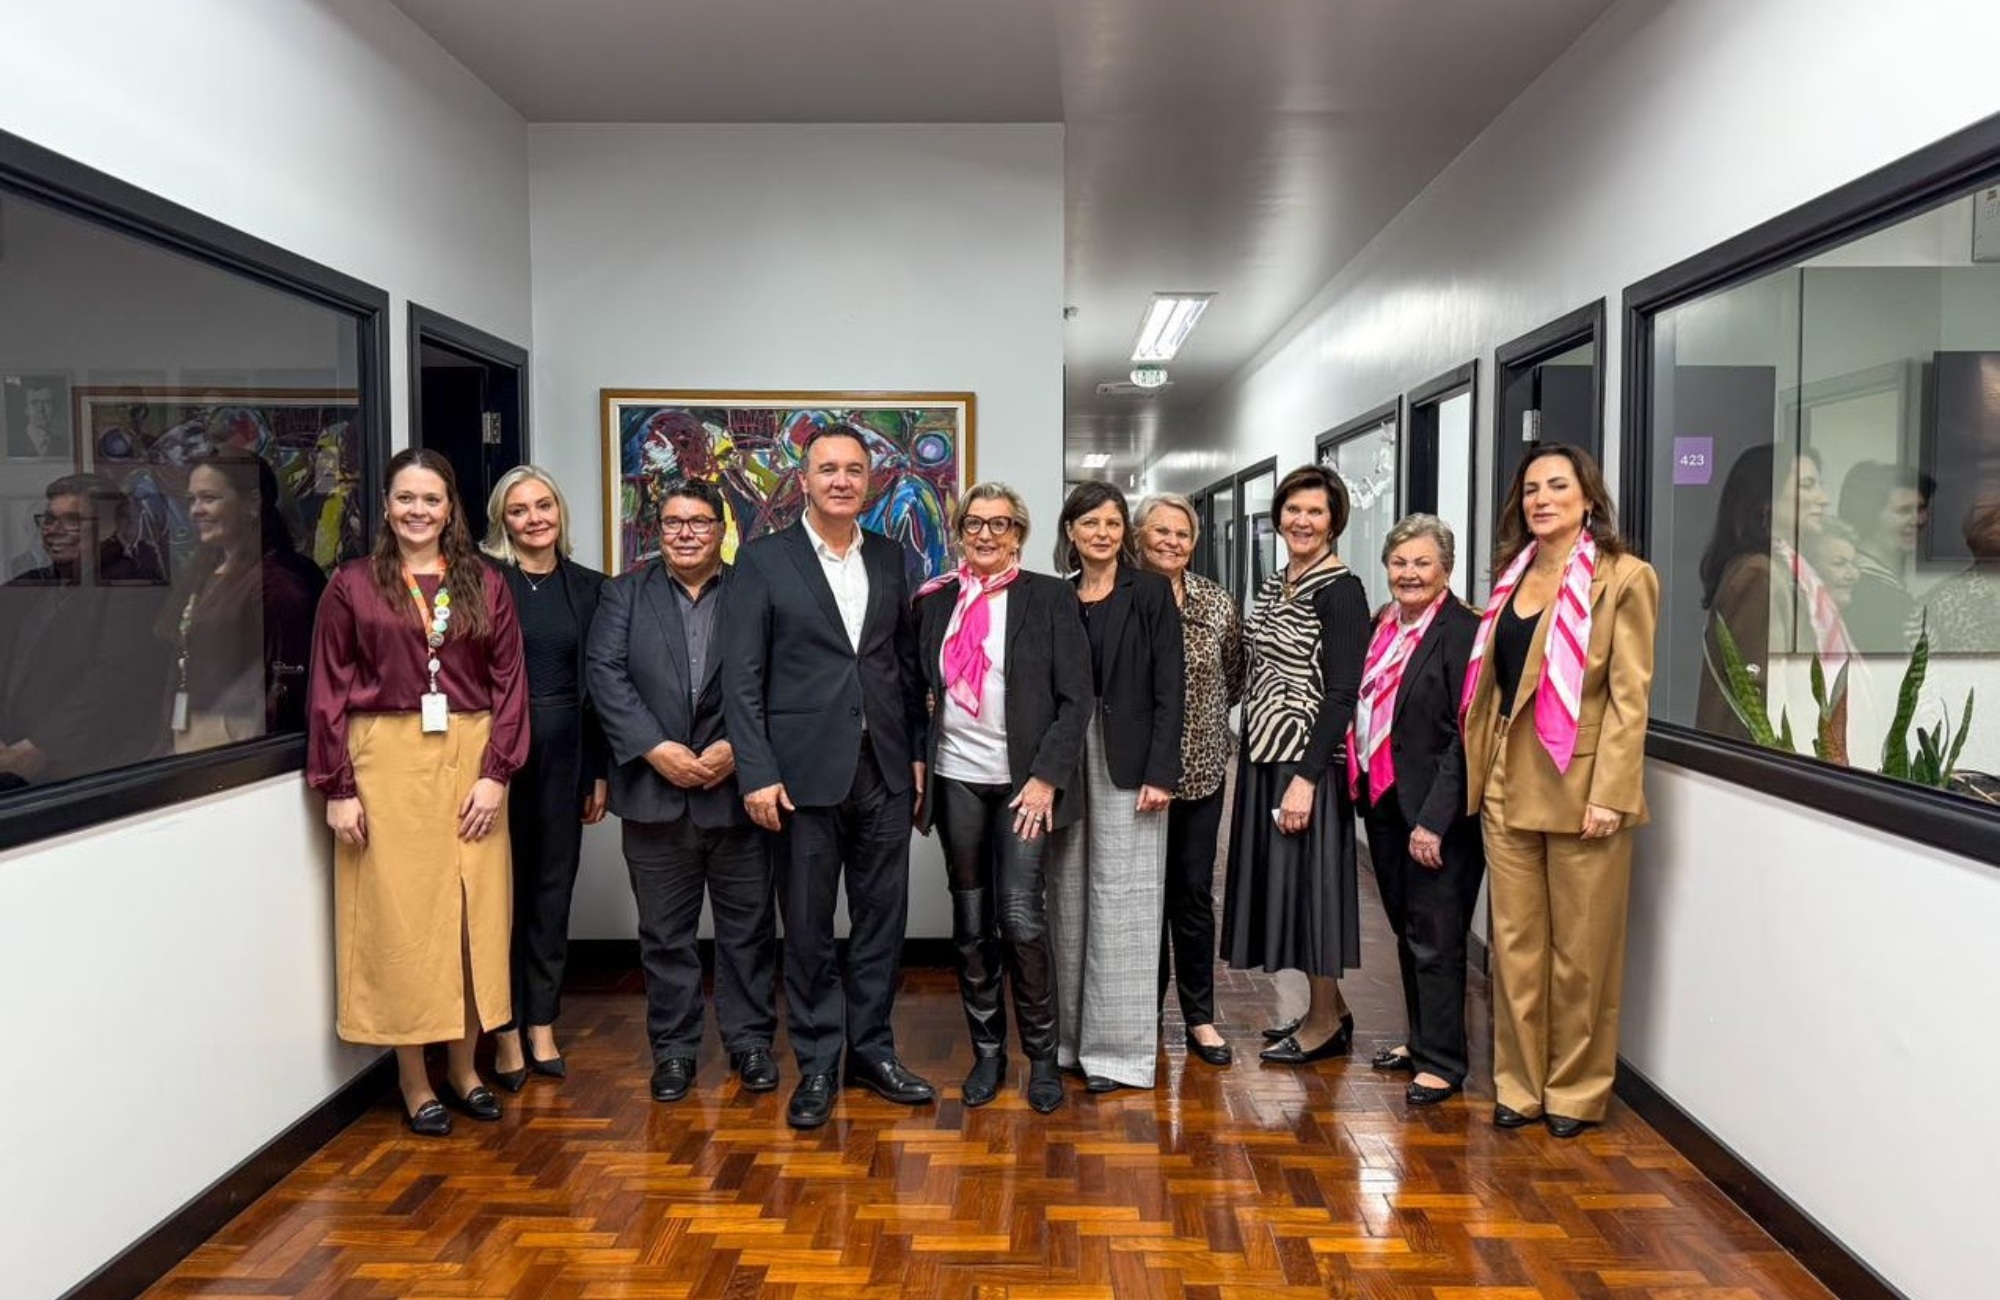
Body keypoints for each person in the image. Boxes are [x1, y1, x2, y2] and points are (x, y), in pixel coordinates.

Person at [307, 448, 528, 1136]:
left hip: (472, 755)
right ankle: (413, 1078)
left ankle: (464, 1069)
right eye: (406, 498)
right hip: (387, 761)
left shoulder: (484, 582)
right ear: (386, 504)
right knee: (403, 920)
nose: (418, 511)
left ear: (450, 507)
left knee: (471, 917)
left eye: (432, 499)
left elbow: (510, 685)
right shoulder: (352, 586)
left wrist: (496, 774)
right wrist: (338, 787)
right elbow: (328, 690)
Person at [721, 424, 934, 1129]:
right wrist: (756, 772)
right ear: (804, 480)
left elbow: (905, 667)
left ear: (869, 480)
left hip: (885, 770)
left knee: (882, 923)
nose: (841, 480)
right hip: (799, 775)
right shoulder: (762, 561)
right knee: (809, 926)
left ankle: (872, 1053)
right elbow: (742, 678)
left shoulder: (893, 557)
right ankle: (816, 1061)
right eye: (827, 469)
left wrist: (917, 754)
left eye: (853, 469)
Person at [1461, 442, 1657, 1139]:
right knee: (1514, 947)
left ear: (1588, 498)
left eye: (1557, 486)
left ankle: (1575, 1089)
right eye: (1531, 489)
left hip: (1582, 787)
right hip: (1507, 782)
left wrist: (1612, 792)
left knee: (1582, 954)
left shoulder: (1624, 578)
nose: (1541, 499)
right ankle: (1519, 1085)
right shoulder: (1511, 576)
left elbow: (1630, 699)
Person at [588, 478, 778, 1103]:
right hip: (653, 793)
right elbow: (605, 675)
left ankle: (750, 1042)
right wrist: (655, 748)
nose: (686, 533)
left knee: (747, 932)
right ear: (658, 530)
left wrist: (737, 749)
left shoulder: (755, 590)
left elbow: (779, 675)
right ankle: (673, 1050)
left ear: (722, 531)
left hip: (739, 792)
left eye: (699, 522)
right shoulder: (623, 594)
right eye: (673, 522)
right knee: (665, 936)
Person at [915, 482, 1092, 1114]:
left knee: (1020, 918)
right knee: (971, 924)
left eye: (1000, 523)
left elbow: (1076, 699)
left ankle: (1041, 1058)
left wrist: (1046, 778)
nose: (986, 534)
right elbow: (914, 687)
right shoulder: (935, 601)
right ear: (960, 531)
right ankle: (987, 1054)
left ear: (1019, 533)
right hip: (957, 778)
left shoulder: (1049, 597)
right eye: (974, 523)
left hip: (1024, 786)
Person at [1220, 465, 1370, 1067]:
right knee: (1286, 888)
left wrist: (1307, 779)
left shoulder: (1341, 591)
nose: (1302, 521)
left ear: (1334, 521)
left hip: (1308, 764)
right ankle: (1327, 1010)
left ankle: (1325, 1021)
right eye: (1293, 510)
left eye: (1315, 512)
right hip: (1264, 756)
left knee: (1313, 893)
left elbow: (1342, 693)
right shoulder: (1274, 581)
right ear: (1278, 517)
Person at [1046, 481, 1184, 1093]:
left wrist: (1161, 772)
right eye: (1090, 523)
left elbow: (1171, 688)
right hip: (1065, 756)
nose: (1102, 533)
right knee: (1067, 896)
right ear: (1070, 532)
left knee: (1125, 901)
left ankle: (1118, 1054)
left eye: (1112, 522)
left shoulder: (1149, 591)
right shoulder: (1055, 596)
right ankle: (1070, 1043)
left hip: (1132, 762)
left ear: (1124, 531)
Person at [1348, 514, 1483, 1105]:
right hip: (1385, 801)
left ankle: (1444, 1062)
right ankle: (1421, 1040)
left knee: (1438, 935)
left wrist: (1434, 819)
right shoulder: (1384, 625)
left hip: (1437, 813)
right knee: (1409, 931)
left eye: (1422, 563)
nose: (1409, 573)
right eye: (1400, 562)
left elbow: (1466, 734)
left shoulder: (1463, 631)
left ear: (1445, 569)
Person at [481, 466, 608, 1088]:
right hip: (496, 758)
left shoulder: (590, 587)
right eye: (519, 510)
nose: (534, 519)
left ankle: (542, 1022)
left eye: (543, 506)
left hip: (566, 756)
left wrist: (598, 772)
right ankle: (504, 1028)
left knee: (552, 892)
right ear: (501, 522)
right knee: (499, 895)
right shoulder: (484, 582)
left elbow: (602, 689)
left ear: (560, 512)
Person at [1134, 491, 1242, 1067]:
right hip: (1133, 778)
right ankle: (1142, 1012)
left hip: (1201, 774)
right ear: (1139, 536)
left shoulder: (1216, 602)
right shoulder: (1121, 596)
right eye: (1161, 531)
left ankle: (1199, 1016)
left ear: (1194, 543)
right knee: (1141, 898)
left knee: (1193, 893)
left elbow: (1234, 676)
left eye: (1182, 533)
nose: (1172, 542)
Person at [0, 474, 168, 790]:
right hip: (15, 768)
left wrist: (39, 748)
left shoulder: (135, 587)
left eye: (73, 521)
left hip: (84, 776)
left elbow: (117, 678)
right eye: (50, 519)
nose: (54, 530)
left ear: (115, 528)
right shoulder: (28, 587)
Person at [159, 452, 325, 752]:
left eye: (209, 498)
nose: (196, 510)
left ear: (252, 503)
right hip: (191, 735)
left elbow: (288, 687)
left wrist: (266, 755)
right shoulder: (204, 571)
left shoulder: (281, 584)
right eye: (192, 499)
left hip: (240, 746)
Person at [1697, 445, 1851, 745]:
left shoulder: (1791, 572)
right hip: (1757, 761)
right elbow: (1755, 693)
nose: (1823, 498)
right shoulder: (1758, 575)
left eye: (1820, 485)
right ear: (1765, 501)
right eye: (1807, 485)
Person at [1836, 460, 1923, 651]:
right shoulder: (1868, 592)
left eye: (1919, 510)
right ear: (1869, 514)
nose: (1917, 520)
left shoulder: (1878, 583)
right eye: (1904, 511)